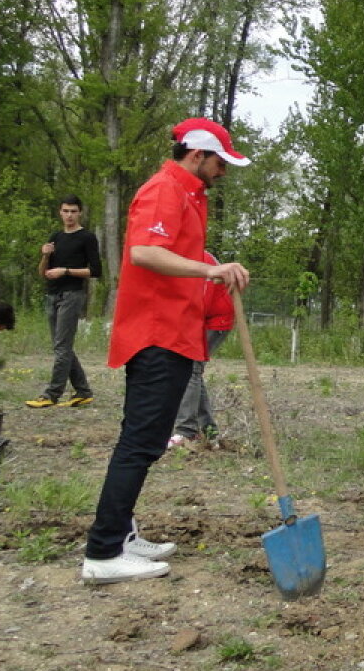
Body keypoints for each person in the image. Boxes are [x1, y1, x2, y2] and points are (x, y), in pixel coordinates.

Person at [81, 119, 251, 585]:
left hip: (176, 332)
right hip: (155, 333)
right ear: (196, 155)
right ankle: (102, 552)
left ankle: (121, 534)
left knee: (149, 441)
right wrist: (211, 271)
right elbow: (144, 253)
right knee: (139, 443)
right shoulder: (164, 191)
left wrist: (210, 270)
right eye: (220, 162)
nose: (224, 171)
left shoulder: (188, 196)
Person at [24, 196, 101, 408]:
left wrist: (66, 271)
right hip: (52, 295)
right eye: (66, 211)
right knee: (61, 346)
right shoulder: (56, 236)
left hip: (72, 294)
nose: (69, 215)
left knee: (62, 347)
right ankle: (83, 391)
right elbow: (43, 272)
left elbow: (95, 271)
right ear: (60, 212)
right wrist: (45, 256)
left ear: (80, 213)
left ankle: (51, 394)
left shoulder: (87, 237)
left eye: (73, 211)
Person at [168, 250, 233, 450]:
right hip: (198, 322)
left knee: (190, 368)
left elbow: (199, 302)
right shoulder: (176, 256)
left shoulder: (201, 259)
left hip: (215, 322)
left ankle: (186, 432)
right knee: (192, 371)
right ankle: (209, 432)